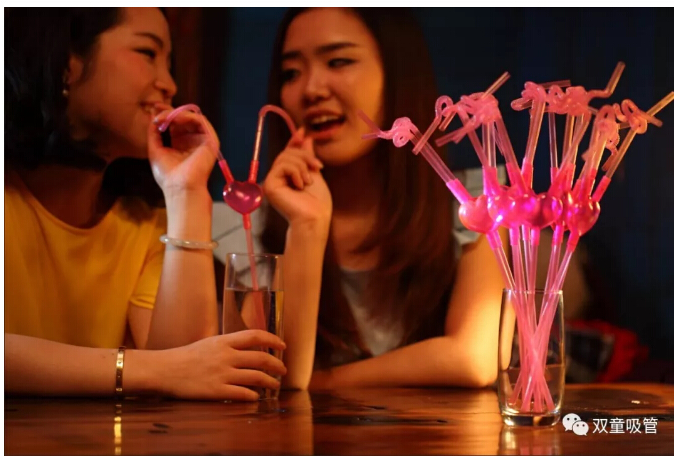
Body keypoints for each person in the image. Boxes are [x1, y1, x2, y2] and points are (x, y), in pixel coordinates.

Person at [213, 7, 508, 390]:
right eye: (291, 73)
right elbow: (267, 373)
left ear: (398, 73)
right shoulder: (245, 223)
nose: (312, 89)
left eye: (338, 61)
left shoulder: (475, 203)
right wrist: (307, 226)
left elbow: (473, 359)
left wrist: (322, 383)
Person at [4, 7, 286, 401]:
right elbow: (173, 370)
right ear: (66, 64)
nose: (169, 84)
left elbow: (188, 377)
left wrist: (186, 192)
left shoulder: (144, 225)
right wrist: (148, 370)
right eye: (147, 53)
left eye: (169, 63)